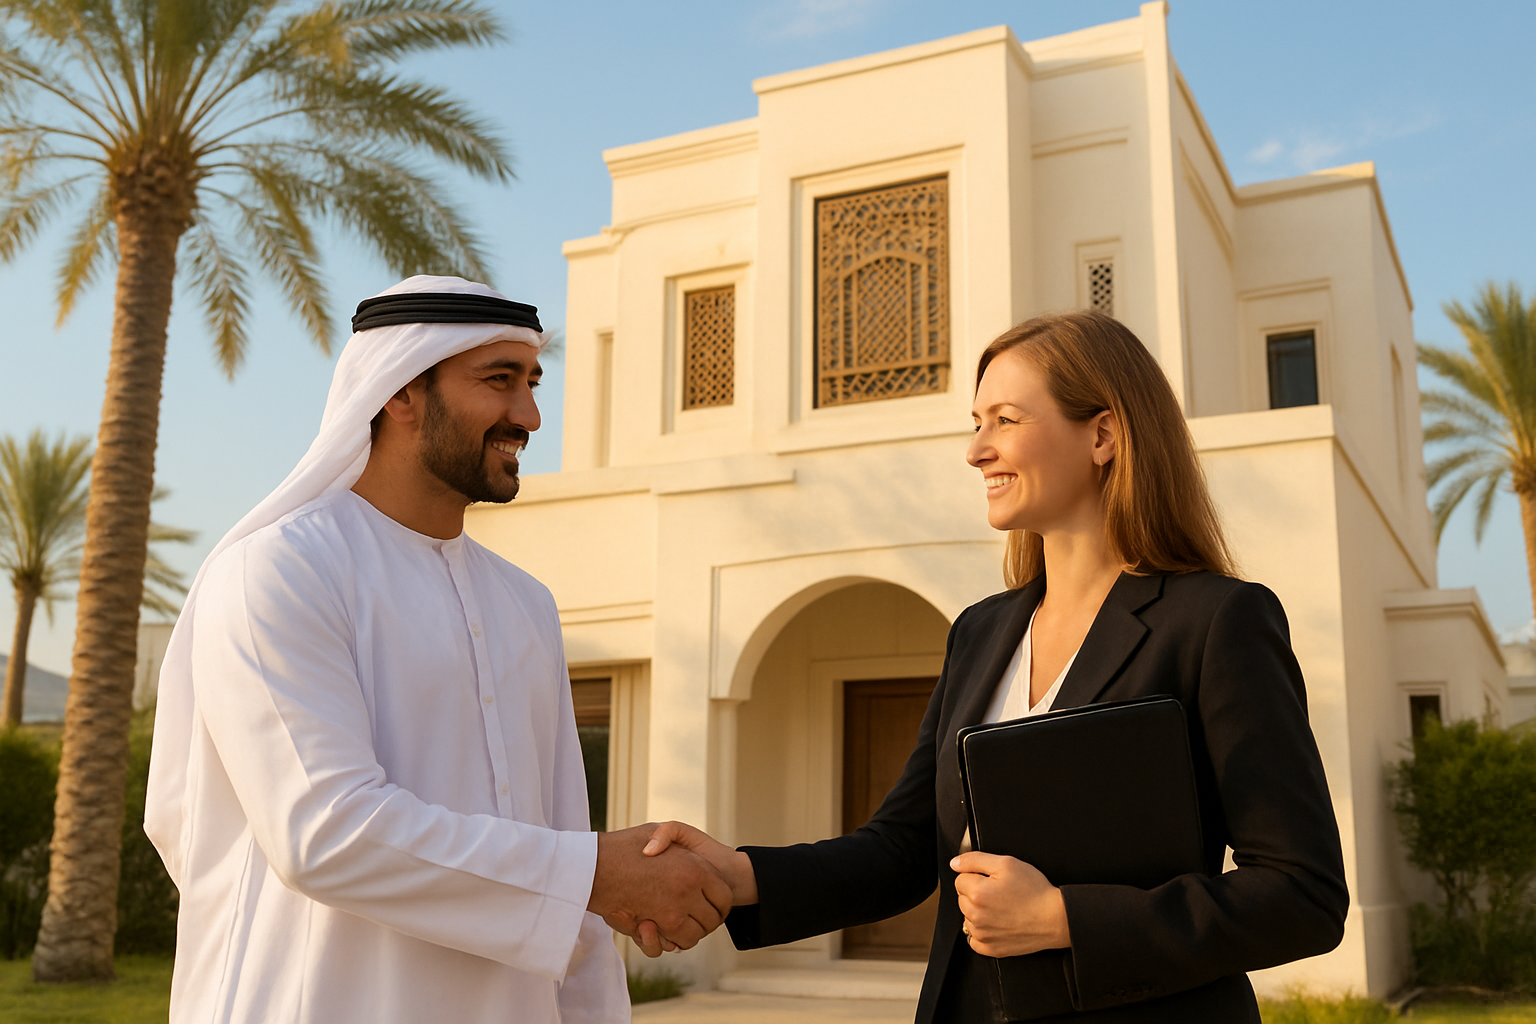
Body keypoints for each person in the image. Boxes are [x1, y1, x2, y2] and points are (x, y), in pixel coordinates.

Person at [640, 310, 1350, 1022]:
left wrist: (1064, 918)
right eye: (975, 424)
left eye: (1005, 420)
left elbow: (1301, 893)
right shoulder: (981, 632)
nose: (977, 451)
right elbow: (905, 849)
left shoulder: (1217, 622)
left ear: (1103, 435)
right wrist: (740, 875)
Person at [144, 276, 731, 1024]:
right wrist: (589, 872)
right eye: (499, 381)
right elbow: (323, 832)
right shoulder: (280, 569)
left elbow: (565, 865)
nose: (528, 415)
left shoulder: (527, 605)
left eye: (532, 383)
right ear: (399, 391)